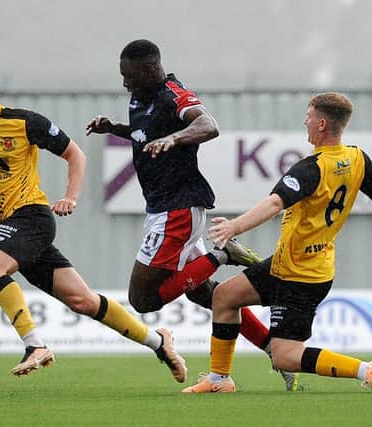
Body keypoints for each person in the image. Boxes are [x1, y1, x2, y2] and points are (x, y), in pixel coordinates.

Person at [0, 61, 187, 382]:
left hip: (31, 216)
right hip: (6, 229)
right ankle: (158, 342)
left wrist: (70, 196)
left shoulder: (24, 122)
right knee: (84, 301)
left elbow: (75, 154)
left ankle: (34, 345)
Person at [182, 92, 372, 394]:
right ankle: (219, 380)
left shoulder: (311, 168)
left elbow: (273, 204)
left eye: (308, 117)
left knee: (286, 356)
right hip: (292, 264)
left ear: (321, 124)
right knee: (225, 297)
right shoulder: (357, 159)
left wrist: (234, 226)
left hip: (301, 277)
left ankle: (367, 369)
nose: (305, 122)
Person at [86, 39, 298, 391]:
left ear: (151, 70)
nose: (125, 83)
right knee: (207, 295)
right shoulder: (140, 97)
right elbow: (144, 133)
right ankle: (273, 350)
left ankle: (223, 253)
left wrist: (176, 138)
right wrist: (115, 129)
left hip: (177, 212)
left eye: (130, 76)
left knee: (143, 299)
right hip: (166, 209)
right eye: (122, 76)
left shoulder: (173, 94)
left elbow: (208, 125)